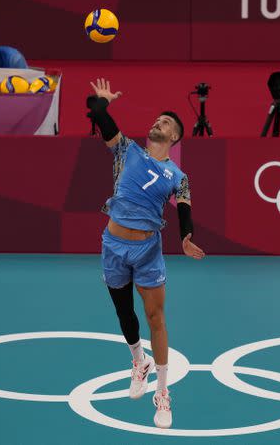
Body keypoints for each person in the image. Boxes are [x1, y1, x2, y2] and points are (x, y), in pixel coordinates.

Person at [87, 78, 205, 428]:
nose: (158, 123)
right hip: (113, 245)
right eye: (157, 120)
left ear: (174, 138)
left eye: (166, 123)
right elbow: (98, 115)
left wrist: (186, 237)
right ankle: (139, 362)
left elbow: (184, 209)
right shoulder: (126, 149)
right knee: (124, 313)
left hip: (147, 250)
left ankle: (164, 394)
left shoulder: (177, 175)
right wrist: (102, 101)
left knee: (156, 319)